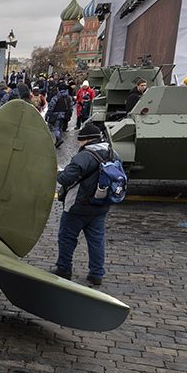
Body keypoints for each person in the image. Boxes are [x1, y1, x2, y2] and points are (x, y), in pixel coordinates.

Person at [53, 122, 118, 286]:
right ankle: (96, 273)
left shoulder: (84, 156)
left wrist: (58, 172)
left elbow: (65, 178)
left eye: (80, 140)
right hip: (101, 205)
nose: (78, 143)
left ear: (87, 140)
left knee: (67, 237)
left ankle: (64, 268)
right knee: (96, 240)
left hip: (78, 205)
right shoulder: (112, 152)